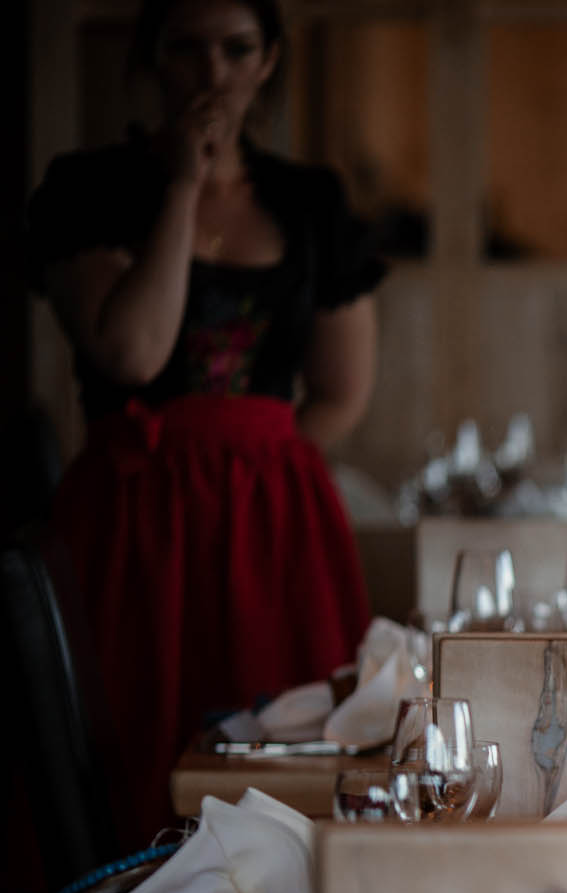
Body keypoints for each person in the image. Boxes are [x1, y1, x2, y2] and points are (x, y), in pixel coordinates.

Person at [27, 0, 381, 847]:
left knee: (283, 748)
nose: (213, 73)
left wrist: (258, 473)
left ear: (268, 61)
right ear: (150, 62)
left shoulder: (310, 200)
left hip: (274, 516)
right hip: (132, 512)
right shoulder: (90, 189)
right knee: (129, 738)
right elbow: (131, 353)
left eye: (237, 49)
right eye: (186, 49)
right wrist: (185, 183)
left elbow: (342, 388)